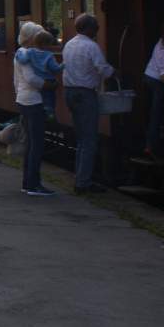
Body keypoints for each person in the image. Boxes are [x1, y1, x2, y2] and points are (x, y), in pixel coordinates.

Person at [61, 13, 113, 194]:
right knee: (89, 139)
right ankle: (83, 183)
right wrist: (115, 74)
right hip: (84, 94)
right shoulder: (91, 46)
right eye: (96, 27)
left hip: (69, 92)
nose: (97, 31)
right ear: (89, 29)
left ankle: (80, 178)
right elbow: (102, 68)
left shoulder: (68, 44)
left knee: (82, 138)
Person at [14, 22, 56, 197]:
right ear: (32, 38)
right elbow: (31, 78)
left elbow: (16, 81)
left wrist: (19, 95)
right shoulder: (27, 56)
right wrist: (48, 85)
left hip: (24, 100)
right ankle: (33, 184)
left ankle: (28, 183)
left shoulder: (21, 54)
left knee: (31, 144)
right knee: (36, 144)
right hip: (34, 101)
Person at [143, 23, 164, 158]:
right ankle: (152, 145)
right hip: (156, 79)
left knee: (156, 110)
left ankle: (154, 139)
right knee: (157, 112)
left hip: (148, 76)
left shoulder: (159, 42)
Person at [20, 30, 63, 118]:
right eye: (50, 44)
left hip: (40, 79)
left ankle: (45, 108)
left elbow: (23, 60)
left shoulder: (30, 52)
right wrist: (63, 65)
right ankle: (50, 111)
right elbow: (55, 69)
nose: (51, 46)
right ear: (45, 44)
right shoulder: (49, 55)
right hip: (49, 80)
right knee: (50, 96)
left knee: (42, 95)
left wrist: (18, 55)